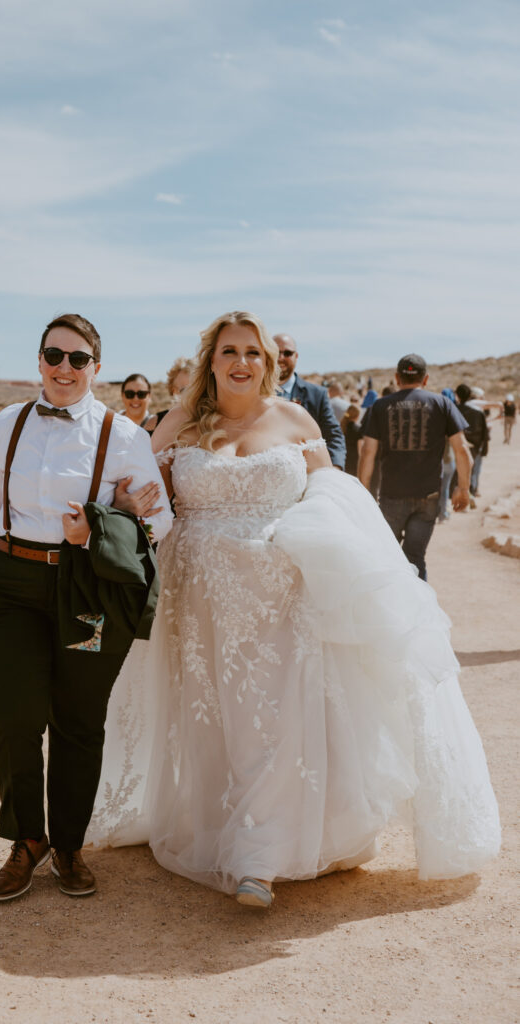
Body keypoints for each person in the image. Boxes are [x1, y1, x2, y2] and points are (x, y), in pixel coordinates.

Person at [86, 313, 500, 909]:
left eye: (253, 352)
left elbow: (331, 495)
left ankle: (260, 857)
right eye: (229, 350)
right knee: (217, 723)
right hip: (200, 602)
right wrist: (128, 497)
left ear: (270, 361)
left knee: (276, 718)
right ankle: (227, 830)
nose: (242, 362)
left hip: (282, 593)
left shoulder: (295, 419)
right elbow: (130, 486)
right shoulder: (180, 421)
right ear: (211, 360)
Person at [0, 314, 172, 902]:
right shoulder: (9, 423)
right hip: (7, 584)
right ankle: (27, 840)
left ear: (96, 369)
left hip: (85, 590)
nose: (65, 368)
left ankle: (70, 844)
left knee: (78, 720)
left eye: (78, 359)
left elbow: (160, 520)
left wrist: (106, 522)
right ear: (39, 361)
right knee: (10, 714)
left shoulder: (123, 435)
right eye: (55, 355)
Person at [358, 355, 472, 581]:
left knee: (386, 558)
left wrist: (362, 491)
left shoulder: (380, 406)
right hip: (428, 496)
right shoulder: (442, 404)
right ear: (426, 379)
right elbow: (462, 451)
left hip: (391, 496)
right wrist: (463, 488)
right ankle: (419, 613)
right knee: (415, 558)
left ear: (397, 378)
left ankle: (389, 610)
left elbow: (367, 453)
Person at [273, 333, 346, 468]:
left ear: (296, 356)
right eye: (276, 352)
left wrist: (334, 470)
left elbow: (334, 436)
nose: (281, 358)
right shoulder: (253, 393)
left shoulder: (317, 394)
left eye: (287, 353)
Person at [145, 356, 195, 435]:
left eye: (194, 388)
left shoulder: (212, 423)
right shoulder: (154, 423)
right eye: (183, 390)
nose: (190, 395)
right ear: (173, 391)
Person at [455, 384, 489, 499]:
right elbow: (485, 434)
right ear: (470, 395)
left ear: (457, 395)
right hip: (476, 446)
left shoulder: (453, 410)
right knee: (474, 469)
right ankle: (472, 492)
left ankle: (464, 493)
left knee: (459, 470)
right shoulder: (478, 412)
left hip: (457, 445)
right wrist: (484, 449)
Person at [340, 403, 362, 476]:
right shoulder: (358, 429)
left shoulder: (341, 426)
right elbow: (360, 448)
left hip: (343, 457)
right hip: (354, 460)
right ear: (357, 416)